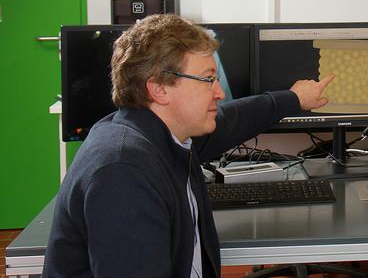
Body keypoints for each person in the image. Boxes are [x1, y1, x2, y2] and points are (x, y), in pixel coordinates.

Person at [43, 14, 334, 277]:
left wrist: (294, 99)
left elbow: (233, 119)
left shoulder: (162, 134)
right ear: (158, 88)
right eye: (208, 80)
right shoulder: (124, 172)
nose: (220, 93)